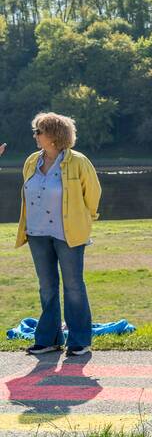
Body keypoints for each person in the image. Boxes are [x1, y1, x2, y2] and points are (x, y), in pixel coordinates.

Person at [17, 113, 102, 357]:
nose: (35, 136)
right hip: (37, 233)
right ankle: (49, 339)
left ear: (53, 135)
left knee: (74, 286)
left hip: (69, 234)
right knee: (47, 287)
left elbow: (93, 193)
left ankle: (79, 340)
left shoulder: (78, 161)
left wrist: (87, 218)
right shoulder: (31, 161)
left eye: (38, 132)